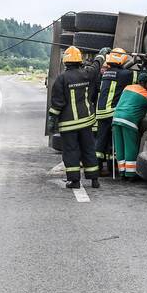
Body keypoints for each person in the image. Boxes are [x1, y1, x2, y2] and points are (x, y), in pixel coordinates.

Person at [46, 46, 106, 189]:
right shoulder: (87, 73)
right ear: (79, 60)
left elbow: (57, 103)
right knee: (89, 149)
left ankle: (74, 181)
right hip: (86, 121)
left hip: (69, 124)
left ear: (65, 62)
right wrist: (102, 54)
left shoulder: (62, 79)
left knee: (71, 151)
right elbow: (96, 66)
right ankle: (94, 179)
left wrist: (52, 119)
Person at [111, 70, 147, 180]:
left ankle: (122, 173)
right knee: (130, 147)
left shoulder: (128, 87)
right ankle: (131, 175)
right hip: (129, 120)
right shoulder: (146, 95)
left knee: (120, 147)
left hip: (116, 118)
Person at [93, 48, 134, 176]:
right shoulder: (125, 75)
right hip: (112, 112)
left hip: (100, 112)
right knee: (113, 141)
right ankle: (112, 167)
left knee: (101, 140)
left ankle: (97, 167)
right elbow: (143, 76)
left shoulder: (105, 73)